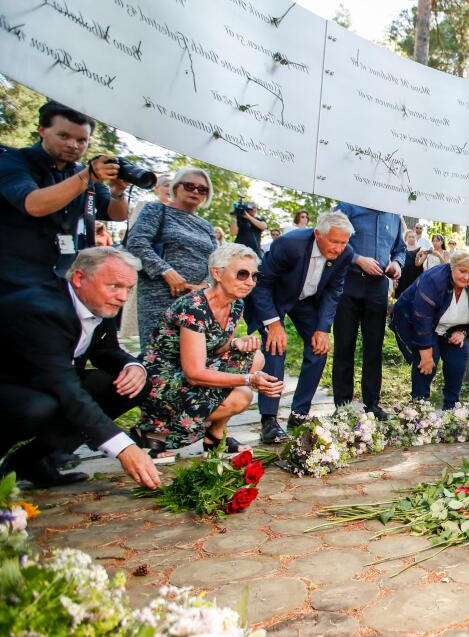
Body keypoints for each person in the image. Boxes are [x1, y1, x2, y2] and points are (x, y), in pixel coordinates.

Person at [0, 247, 160, 489]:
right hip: (14, 386)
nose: (123, 297)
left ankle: (30, 461)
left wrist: (133, 365)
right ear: (79, 278)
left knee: (131, 385)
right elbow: (65, 387)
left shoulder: (97, 301)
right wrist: (124, 448)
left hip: (52, 383)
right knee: (39, 407)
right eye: (115, 286)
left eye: (129, 289)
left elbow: (105, 351)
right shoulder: (43, 309)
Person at [133, 244, 284, 454]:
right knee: (242, 396)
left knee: (253, 356)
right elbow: (194, 374)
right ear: (217, 273)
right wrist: (250, 379)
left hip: (192, 370)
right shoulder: (194, 306)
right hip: (162, 382)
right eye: (242, 274)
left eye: (254, 276)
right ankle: (155, 429)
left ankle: (215, 434)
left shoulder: (235, 304)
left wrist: (234, 344)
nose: (250, 282)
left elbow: (216, 349)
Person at [245, 210, 356, 443]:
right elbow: (262, 283)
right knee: (275, 349)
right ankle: (269, 419)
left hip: (307, 302)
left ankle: (299, 413)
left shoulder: (346, 254)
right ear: (318, 234)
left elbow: (334, 289)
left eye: (343, 243)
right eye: (334, 242)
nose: (338, 248)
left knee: (319, 348)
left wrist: (323, 329)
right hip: (275, 298)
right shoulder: (289, 244)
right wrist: (274, 323)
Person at [0, 101, 130, 295]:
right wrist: (87, 176)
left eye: (82, 140)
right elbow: (34, 205)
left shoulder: (82, 173)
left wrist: (118, 192)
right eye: (63, 136)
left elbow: (116, 215)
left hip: (59, 277)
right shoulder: (13, 160)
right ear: (42, 130)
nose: (73, 145)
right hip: (11, 276)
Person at [125, 167, 218, 347]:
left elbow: (217, 261)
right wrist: (165, 271)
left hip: (196, 299)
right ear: (176, 187)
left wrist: (205, 285)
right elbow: (136, 243)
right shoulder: (156, 210)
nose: (195, 191)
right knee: (158, 354)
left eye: (202, 189)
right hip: (160, 295)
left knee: (193, 356)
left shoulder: (206, 226)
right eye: (189, 186)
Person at [331, 202, 404, 419]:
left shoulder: (394, 214)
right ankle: (342, 406)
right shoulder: (348, 206)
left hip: (378, 286)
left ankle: (372, 404)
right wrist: (357, 259)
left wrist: (397, 264)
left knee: (374, 346)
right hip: (348, 281)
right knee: (344, 344)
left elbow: (399, 249)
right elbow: (331, 238)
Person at [391, 247, 469, 409]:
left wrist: (463, 332)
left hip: (452, 328)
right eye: (462, 271)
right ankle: (418, 410)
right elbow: (422, 317)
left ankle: (452, 411)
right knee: (427, 363)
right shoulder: (434, 280)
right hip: (416, 323)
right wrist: (426, 352)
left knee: (457, 363)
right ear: (452, 266)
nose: (466, 277)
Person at [119, 175, 174, 340]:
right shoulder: (147, 206)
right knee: (142, 328)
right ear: (156, 188)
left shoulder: (184, 214)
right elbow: (135, 240)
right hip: (150, 272)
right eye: (166, 185)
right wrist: (162, 268)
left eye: (173, 185)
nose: (169, 189)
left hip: (176, 278)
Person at [395, 229, 427, 297]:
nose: (411, 238)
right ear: (406, 238)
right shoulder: (402, 248)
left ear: (416, 238)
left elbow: (419, 263)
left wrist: (418, 255)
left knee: (413, 296)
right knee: (401, 296)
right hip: (403, 276)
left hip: (415, 276)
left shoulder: (421, 249)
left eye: (413, 237)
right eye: (409, 237)